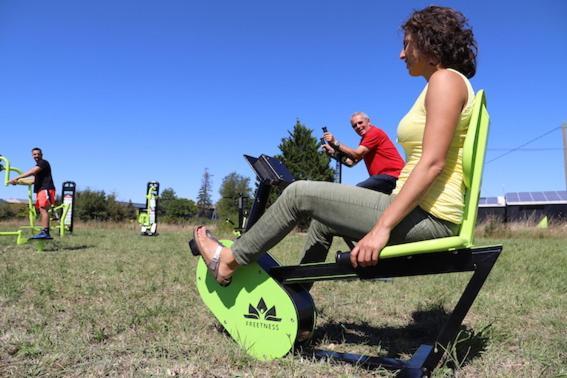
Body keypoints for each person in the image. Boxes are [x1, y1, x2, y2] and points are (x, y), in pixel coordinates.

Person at [192, 5, 478, 285]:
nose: (401, 53)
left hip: (429, 219)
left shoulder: (445, 80)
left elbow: (432, 163)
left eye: (407, 44)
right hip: (419, 211)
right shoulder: (442, 84)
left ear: (429, 42)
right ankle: (296, 295)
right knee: (322, 220)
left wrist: (381, 229)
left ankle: (228, 261)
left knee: (297, 194)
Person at [321, 112, 405, 194]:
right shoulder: (364, 141)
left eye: (360, 122)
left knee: (359, 191)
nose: (358, 126)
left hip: (394, 176)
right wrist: (333, 153)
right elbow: (351, 162)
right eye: (354, 126)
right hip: (385, 179)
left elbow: (356, 154)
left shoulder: (374, 132)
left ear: (368, 121)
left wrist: (334, 142)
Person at [8, 147, 56, 240]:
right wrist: (17, 182)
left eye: (38, 154)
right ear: (32, 155)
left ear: (42, 155)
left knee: (43, 209)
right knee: (42, 210)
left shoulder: (43, 163)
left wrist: (17, 178)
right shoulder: (39, 168)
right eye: (34, 154)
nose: (36, 156)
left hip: (46, 189)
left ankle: (45, 232)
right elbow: (33, 180)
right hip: (41, 190)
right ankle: (44, 231)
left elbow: (32, 171)